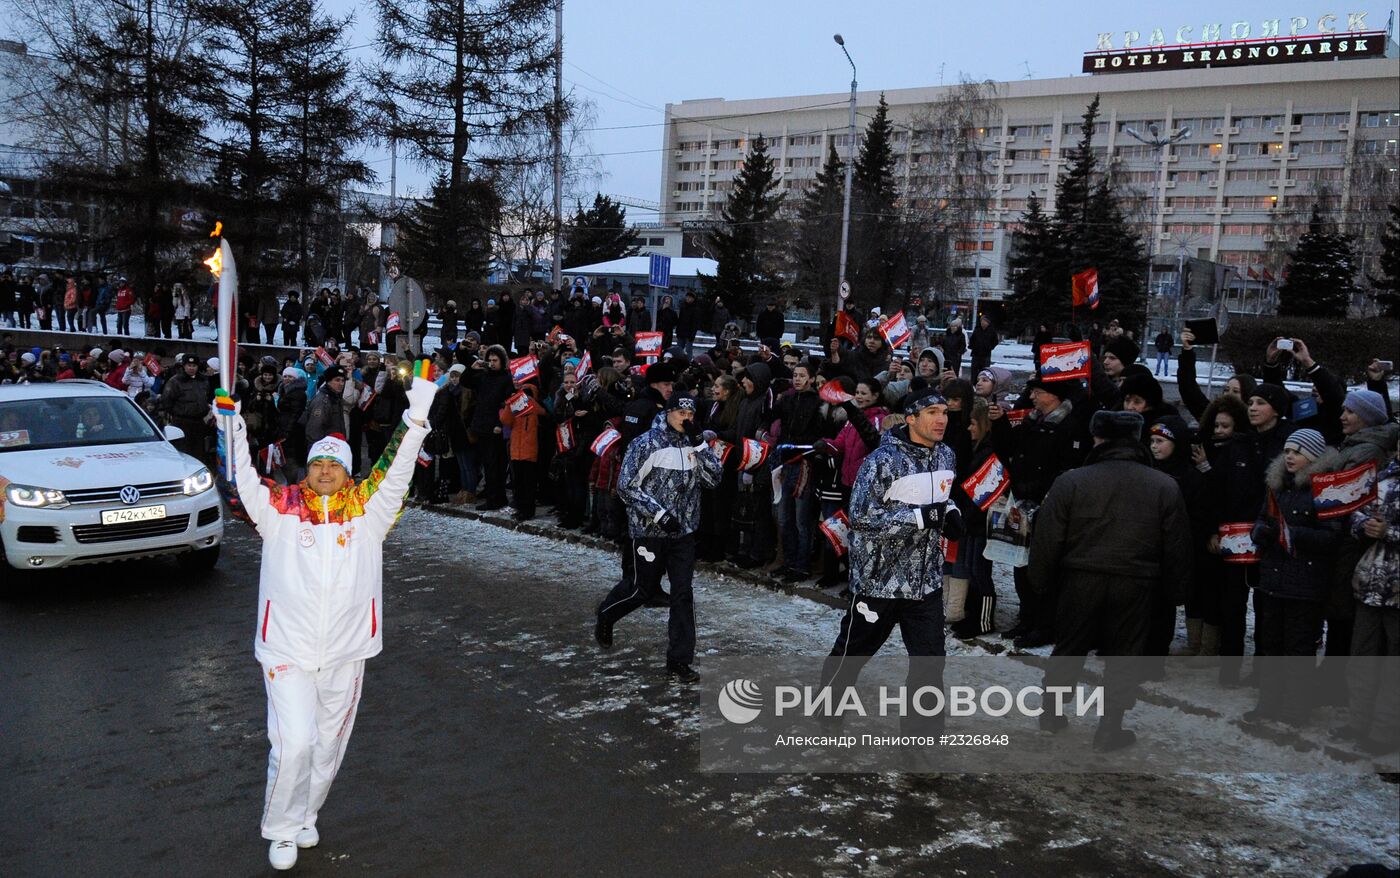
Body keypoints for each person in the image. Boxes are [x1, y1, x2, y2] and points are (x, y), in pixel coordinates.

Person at [214, 372, 434, 871]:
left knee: (328, 745)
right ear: (307, 470)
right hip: (286, 650)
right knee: (295, 743)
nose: (326, 471)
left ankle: (307, 813)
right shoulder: (279, 509)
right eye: (318, 463)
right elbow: (239, 480)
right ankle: (281, 828)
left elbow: (396, 469)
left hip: (346, 651)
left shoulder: (370, 513)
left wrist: (416, 418)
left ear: (348, 472)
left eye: (336, 464)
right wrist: (230, 426)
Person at [1032, 410, 1193, 751]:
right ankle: (1109, 728)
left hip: (1080, 578)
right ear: (1136, 440)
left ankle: (1051, 714)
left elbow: (1048, 537)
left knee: (1069, 648)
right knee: (1124, 656)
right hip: (1135, 583)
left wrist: (1041, 581)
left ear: (1097, 439)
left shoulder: (1072, 480)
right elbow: (1177, 544)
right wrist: (1176, 591)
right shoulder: (1164, 486)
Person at [821, 386, 961, 732]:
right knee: (851, 656)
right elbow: (862, 517)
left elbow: (943, 499)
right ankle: (827, 713)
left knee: (929, 666)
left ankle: (921, 742)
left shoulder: (946, 456)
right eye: (932, 413)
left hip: (925, 584)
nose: (941, 419)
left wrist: (952, 511)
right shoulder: (882, 461)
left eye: (944, 412)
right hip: (878, 583)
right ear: (912, 418)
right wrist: (920, 518)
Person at [595, 394, 722, 683]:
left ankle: (679, 660)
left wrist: (700, 444)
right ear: (668, 413)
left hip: (683, 533)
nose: (685, 418)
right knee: (642, 589)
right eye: (680, 412)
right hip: (649, 532)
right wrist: (659, 515)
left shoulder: (694, 444)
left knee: (682, 594)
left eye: (690, 413)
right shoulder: (646, 443)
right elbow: (626, 486)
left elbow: (715, 479)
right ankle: (607, 614)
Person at [1246, 429, 1342, 726]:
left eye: (1297, 452)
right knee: (1271, 646)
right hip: (1273, 581)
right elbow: (1263, 518)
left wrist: (1289, 535)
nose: (1289, 456)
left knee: (1298, 649)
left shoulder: (1325, 489)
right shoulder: (1276, 485)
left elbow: (1332, 537)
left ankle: (1294, 709)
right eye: (1287, 450)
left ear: (1312, 457)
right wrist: (1259, 531)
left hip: (1305, 584)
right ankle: (1268, 704)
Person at [1338, 433, 1400, 755]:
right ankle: (1359, 722)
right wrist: (1363, 525)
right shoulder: (1382, 475)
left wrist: (1389, 532)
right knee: (1361, 659)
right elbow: (1355, 509)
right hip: (1370, 584)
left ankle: (1385, 733)